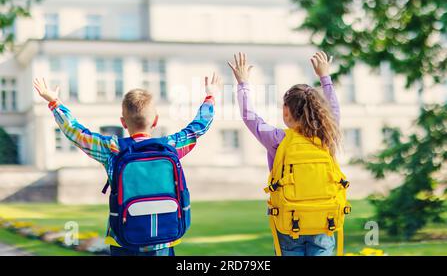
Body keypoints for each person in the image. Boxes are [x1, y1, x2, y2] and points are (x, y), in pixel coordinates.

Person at [33, 73, 221, 256]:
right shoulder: (170, 147)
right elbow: (198, 128)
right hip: (163, 240)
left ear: (123, 122)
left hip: (122, 239)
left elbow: (75, 132)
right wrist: (210, 97)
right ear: (155, 120)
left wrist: (54, 102)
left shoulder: (113, 149)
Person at [228, 52, 343, 256]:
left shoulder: (278, 140)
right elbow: (334, 109)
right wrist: (325, 77)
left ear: (287, 112)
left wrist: (243, 83)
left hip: (289, 222)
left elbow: (250, 117)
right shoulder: (326, 136)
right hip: (324, 220)